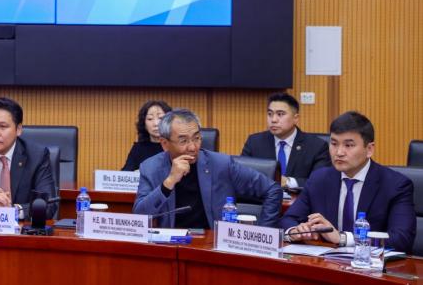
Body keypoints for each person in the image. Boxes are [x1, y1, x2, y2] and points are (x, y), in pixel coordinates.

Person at [281, 111, 416, 252]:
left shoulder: (396, 185)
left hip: (370, 263)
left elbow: (402, 239)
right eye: (334, 144)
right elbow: (287, 220)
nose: (339, 152)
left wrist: (343, 238)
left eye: (349, 145)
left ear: (369, 149)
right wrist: (296, 231)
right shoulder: (319, 179)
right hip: (327, 260)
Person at [134, 109, 281, 228]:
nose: (193, 147)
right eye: (183, 141)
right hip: (171, 247)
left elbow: (272, 190)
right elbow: (139, 216)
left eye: (197, 138)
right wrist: (169, 182)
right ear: (165, 144)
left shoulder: (221, 165)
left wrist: (264, 232)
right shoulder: (150, 168)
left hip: (212, 245)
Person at [240, 92, 330, 188]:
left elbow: (320, 182)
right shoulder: (254, 142)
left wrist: (288, 182)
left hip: (299, 197)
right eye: (270, 114)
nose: (273, 120)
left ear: (296, 118)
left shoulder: (317, 146)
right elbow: (241, 176)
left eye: (280, 114)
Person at [122, 99, 172, 171]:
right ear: (144, 124)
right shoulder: (138, 149)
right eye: (150, 119)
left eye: (161, 118)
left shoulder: (175, 146)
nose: (156, 123)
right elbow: (126, 173)